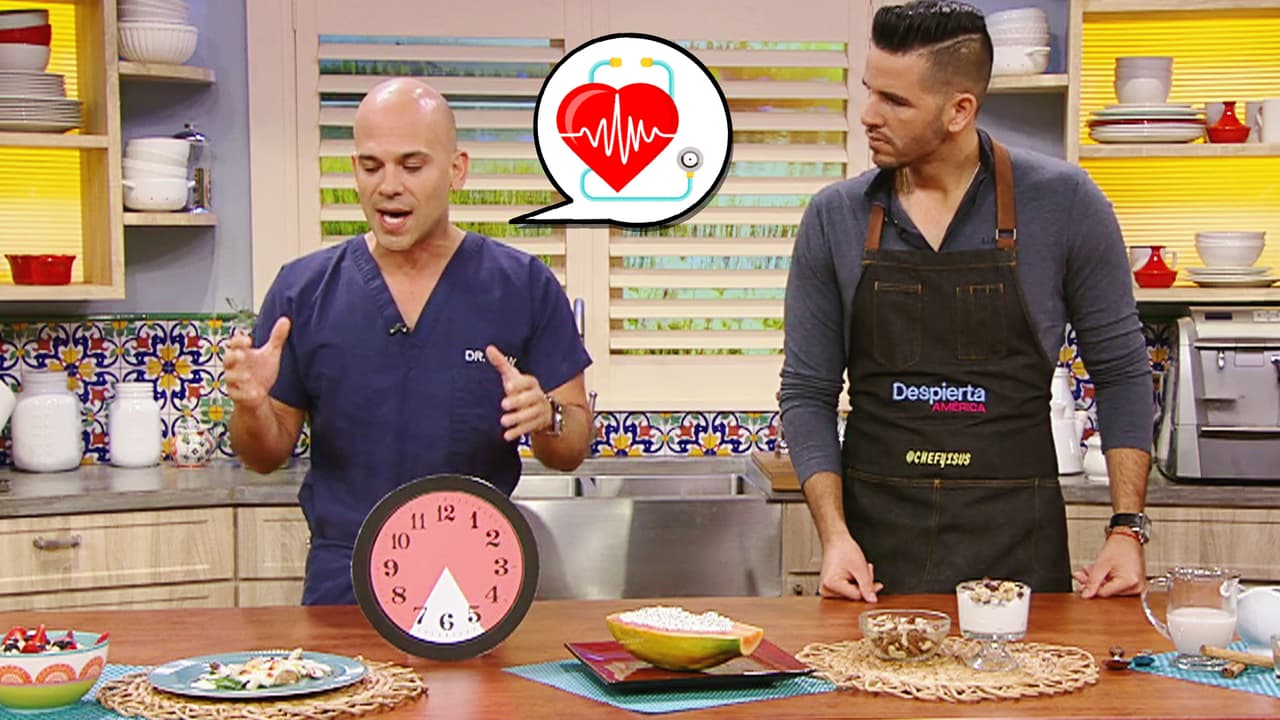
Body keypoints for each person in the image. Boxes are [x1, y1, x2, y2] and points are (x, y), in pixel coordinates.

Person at [779, 0, 1154, 602]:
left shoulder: (1066, 203)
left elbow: (1123, 374)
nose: (868, 115)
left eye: (895, 101)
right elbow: (806, 392)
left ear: (959, 110)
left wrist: (1127, 528)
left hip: (1019, 551)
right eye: (871, 91)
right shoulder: (834, 217)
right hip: (874, 562)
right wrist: (835, 536)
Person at [225, 78, 593, 605]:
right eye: (371, 166)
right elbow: (263, 456)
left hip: (477, 579)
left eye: (412, 165)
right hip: (343, 585)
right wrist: (252, 407)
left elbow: (572, 447)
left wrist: (547, 416)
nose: (388, 185)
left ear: (456, 170)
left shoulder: (523, 285)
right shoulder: (302, 290)